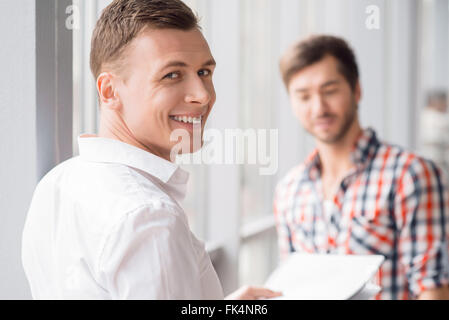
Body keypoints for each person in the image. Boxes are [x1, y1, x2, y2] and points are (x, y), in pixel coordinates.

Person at [22, 0, 280, 300]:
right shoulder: (150, 217)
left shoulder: (56, 183)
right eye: (172, 75)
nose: (202, 95)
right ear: (110, 91)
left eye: (204, 72)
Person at [273, 35, 449, 299]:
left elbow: (433, 289)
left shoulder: (410, 175)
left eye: (330, 91)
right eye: (304, 96)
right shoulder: (289, 190)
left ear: (356, 90)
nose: (319, 108)